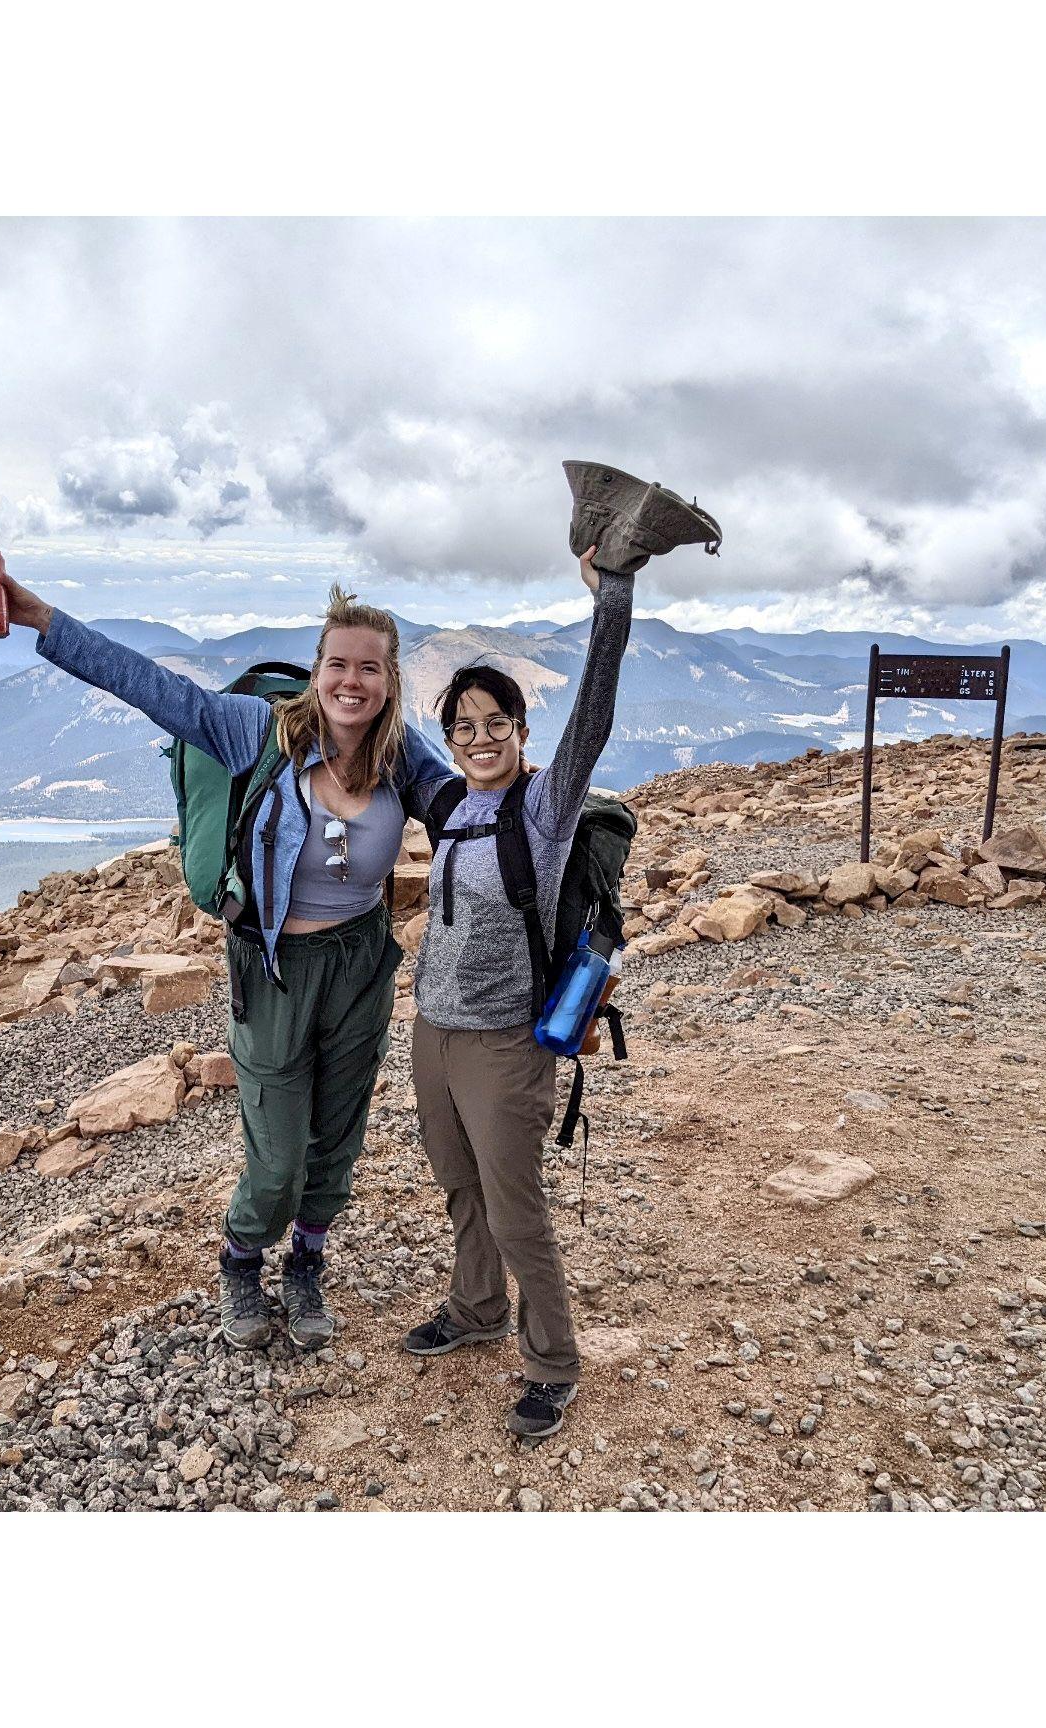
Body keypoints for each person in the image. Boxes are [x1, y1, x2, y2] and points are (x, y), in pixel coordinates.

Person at [0, 571, 456, 1351]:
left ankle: (306, 1260)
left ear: (390, 680)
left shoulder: (400, 754)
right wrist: (42, 618)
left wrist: (548, 814)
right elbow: (152, 687)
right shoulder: (258, 732)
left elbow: (465, 809)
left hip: (361, 964)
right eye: (339, 664)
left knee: (337, 1138)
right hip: (273, 969)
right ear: (318, 670)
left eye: (370, 667)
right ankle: (242, 1259)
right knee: (276, 1156)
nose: (353, 680)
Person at [402, 546, 632, 1439]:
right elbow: (383, 734)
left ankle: (552, 1362)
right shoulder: (448, 802)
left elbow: (596, 719)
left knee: (515, 1208)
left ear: (521, 731)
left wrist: (611, 597)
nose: (479, 737)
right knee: (461, 1188)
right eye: (463, 724)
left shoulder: (543, 810)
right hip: (434, 1036)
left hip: (505, 1044)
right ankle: (475, 1309)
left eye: (496, 721)